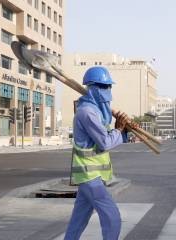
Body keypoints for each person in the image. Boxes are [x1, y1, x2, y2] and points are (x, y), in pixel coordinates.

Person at [64, 66, 129, 240]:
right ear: (92, 88)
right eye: (102, 86)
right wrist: (120, 130)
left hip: (92, 175)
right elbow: (106, 143)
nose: (107, 90)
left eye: (108, 86)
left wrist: (121, 131)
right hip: (89, 175)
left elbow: (104, 138)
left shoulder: (96, 112)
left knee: (78, 221)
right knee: (112, 217)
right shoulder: (87, 113)